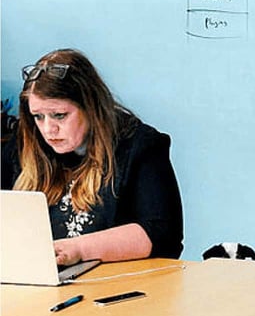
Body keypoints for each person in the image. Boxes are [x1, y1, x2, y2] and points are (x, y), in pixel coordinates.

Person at [1, 48, 183, 265]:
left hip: (114, 283)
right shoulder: (25, 144)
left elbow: (163, 234)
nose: (49, 129)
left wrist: (79, 249)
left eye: (60, 115)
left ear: (90, 107)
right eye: (38, 117)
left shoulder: (139, 146)